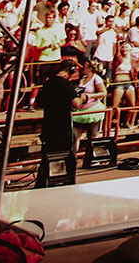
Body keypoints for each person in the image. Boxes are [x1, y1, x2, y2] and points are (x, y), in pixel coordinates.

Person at [37, 59, 84, 187]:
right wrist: (83, 97)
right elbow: (77, 104)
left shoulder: (48, 83)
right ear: (72, 70)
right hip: (63, 125)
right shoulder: (67, 85)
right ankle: (66, 181)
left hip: (49, 124)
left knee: (48, 154)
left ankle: (43, 181)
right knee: (67, 153)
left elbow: (39, 103)